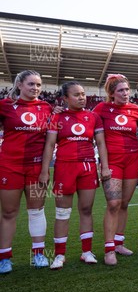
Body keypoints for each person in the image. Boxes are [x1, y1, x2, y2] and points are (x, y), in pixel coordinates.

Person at [38, 82, 111, 269]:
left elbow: (101, 144)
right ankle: (59, 255)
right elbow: (49, 145)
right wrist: (45, 170)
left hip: (87, 167)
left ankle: (86, 252)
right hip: (64, 168)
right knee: (62, 212)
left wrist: (104, 167)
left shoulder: (93, 117)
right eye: (76, 95)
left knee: (86, 210)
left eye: (83, 94)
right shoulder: (57, 117)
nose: (81, 97)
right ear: (65, 98)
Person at [0, 70, 52, 273]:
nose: (35, 88)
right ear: (19, 85)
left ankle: (38, 254)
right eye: (31, 84)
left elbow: (50, 141)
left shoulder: (46, 108)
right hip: (9, 166)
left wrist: (45, 170)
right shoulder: (5, 106)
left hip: (36, 168)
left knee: (37, 211)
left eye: (38, 85)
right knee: (9, 212)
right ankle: (4, 257)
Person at [93, 74, 138, 265]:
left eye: (127, 90)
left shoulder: (135, 109)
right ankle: (108, 249)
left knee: (124, 203)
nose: (125, 94)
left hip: (133, 160)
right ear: (112, 93)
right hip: (112, 162)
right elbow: (84, 122)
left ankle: (118, 243)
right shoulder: (101, 109)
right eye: (121, 91)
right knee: (114, 203)